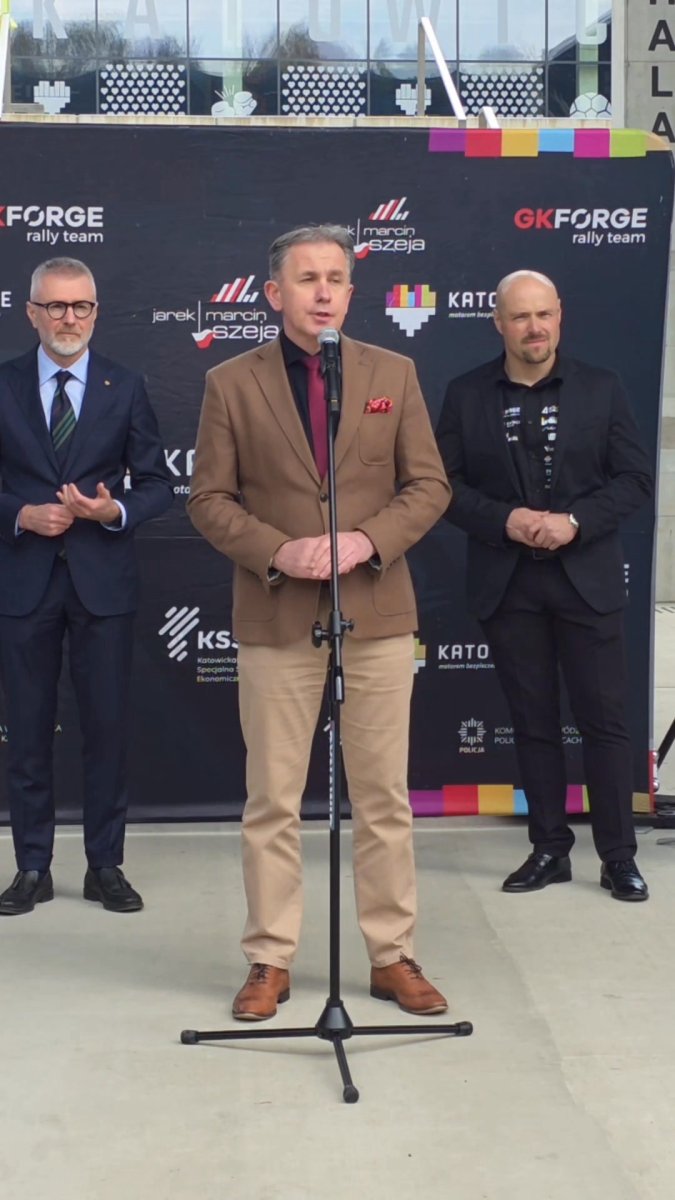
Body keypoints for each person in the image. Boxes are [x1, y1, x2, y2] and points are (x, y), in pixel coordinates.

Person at [188, 224, 451, 1019]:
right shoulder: (230, 382)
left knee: (383, 798)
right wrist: (279, 551)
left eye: (336, 277)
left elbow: (428, 486)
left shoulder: (392, 372)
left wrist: (366, 540)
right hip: (276, 618)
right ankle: (269, 959)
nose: (324, 291)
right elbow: (207, 500)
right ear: (275, 293)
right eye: (307, 279)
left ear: (350, 290)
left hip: (374, 615)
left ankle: (391, 955)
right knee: (272, 799)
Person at [436, 270, 653, 901]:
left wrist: (574, 522)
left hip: (587, 582)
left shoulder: (602, 388)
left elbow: (635, 480)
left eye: (544, 315)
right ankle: (550, 849)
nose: (535, 328)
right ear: (498, 323)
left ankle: (618, 857)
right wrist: (505, 519)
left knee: (605, 723)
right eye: (520, 316)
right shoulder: (466, 394)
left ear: (560, 316)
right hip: (509, 585)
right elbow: (442, 486)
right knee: (533, 723)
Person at [0, 257, 173, 916]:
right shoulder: (4, 384)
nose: (68, 318)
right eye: (55, 306)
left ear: (96, 313)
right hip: (23, 583)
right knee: (27, 729)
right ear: (31, 313)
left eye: (80, 306)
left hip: (103, 585)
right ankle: (32, 867)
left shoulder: (124, 386)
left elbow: (157, 485)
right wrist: (20, 513)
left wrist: (112, 510)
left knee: (106, 729)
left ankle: (105, 865)